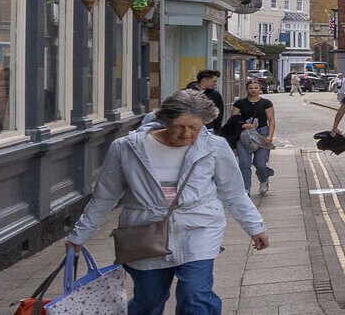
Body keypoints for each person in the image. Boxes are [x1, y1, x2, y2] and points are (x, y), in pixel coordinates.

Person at [66, 89, 266, 315]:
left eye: (194, 127)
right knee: (150, 299)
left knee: (196, 294)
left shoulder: (214, 147)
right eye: (179, 126)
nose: (186, 134)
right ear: (165, 121)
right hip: (144, 230)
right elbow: (105, 195)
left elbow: (234, 192)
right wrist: (79, 235)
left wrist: (255, 226)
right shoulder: (127, 147)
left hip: (199, 226)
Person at [229, 79, 276, 196]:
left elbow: (271, 120)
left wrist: (270, 136)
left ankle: (263, 179)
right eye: (250, 88)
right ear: (246, 89)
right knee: (244, 163)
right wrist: (243, 125)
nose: (253, 90)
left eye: (256, 88)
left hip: (261, 133)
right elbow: (233, 120)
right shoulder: (239, 103)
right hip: (245, 134)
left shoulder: (266, 103)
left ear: (259, 89)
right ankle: (246, 188)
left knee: (260, 163)